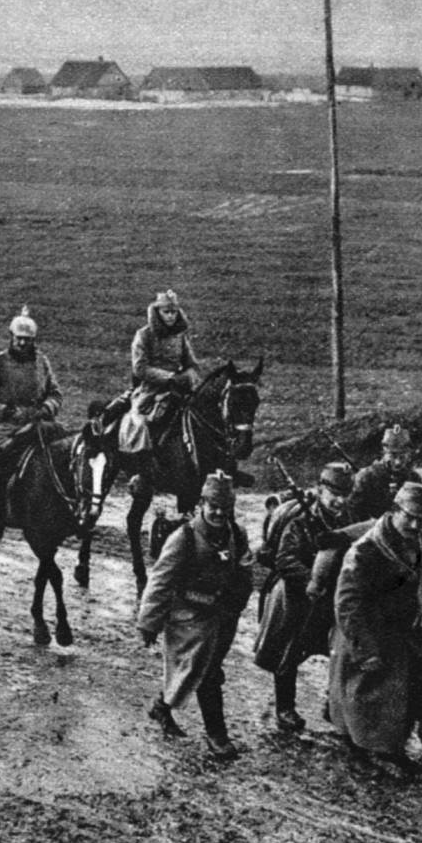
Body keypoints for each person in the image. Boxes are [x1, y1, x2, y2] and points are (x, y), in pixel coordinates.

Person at [136, 470, 254, 759]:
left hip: (222, 617)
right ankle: (217, 737)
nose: (218, 512)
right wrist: (148, 624)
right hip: (188, 617)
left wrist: (237, 601)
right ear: (202, 503)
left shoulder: (236, 534)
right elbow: (160, 581)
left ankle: (161, 707)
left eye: (225, 508)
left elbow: (245, 572)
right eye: (212, 506)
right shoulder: (184, 537)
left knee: (198, 671)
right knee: (207, 674)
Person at [327, 482, 422, 779]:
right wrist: (365, 649)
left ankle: (388, 748)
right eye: (410, 516)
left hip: (399, 630)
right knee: (367, 695)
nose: (416, 524)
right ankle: (367, 752)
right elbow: (347, 604)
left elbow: (418, 567)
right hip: (365, 630)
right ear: (393, 511)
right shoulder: (365, 550)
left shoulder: (412, 538)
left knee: (404, 690)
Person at [253, 462, 358, 732]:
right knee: (288, 650)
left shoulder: (347, 520)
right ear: (320, 490)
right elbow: (285, 559)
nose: (338, 500)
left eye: (344, 494)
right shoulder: (301, 521)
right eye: (333, 493)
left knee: (340, 649)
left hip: (331, 595)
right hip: (297, 594)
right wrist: (309, 578)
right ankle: (285, 707)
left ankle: (332, 704)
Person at [0, 307, 62, 540]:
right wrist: (5, 411)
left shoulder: (42, 362)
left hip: (37, 424)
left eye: (27, 340)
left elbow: (56, 394)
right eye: (18, 338)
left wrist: (46, 408)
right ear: (11, 337)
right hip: (5, 428)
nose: (22, 343)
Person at [122, 290, 200, 467]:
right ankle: (142, 464)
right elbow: (140, 368)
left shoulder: (180, 336)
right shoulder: (144, 335)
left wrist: (187, 377)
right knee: (140, 421)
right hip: (151, 389)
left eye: (173, 312)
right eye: (166, 312)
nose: (171, 316)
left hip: (179, 387)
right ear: (157, 312)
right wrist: (168, 377)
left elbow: (192, 364)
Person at [347, 425, 422, 524]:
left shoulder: (414, 478)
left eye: (402, 456)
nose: (397, 462)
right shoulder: (366, 477)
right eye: (392, 456)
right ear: (383, 453)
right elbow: (352, 512)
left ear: (408, 455)